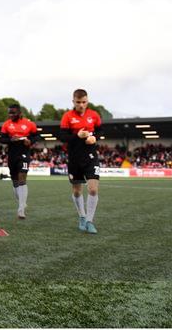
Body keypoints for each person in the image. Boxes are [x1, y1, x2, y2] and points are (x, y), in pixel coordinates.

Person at [60, 89, 102, 234]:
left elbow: (101, 132)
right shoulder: (67, 116)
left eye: (84, 102)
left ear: (87, 101)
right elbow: (63, 137)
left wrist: (95, 137)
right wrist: (77, 135)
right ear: (73, 101)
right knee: (77, 191)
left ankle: (90, 221)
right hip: (74, 158)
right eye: (78, 102)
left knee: (93, 189)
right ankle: (82, 217)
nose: (81, 105)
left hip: (90, 156)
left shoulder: (94, 115)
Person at [0, 104, 38, 219]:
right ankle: (22, 202)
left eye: (13, 113)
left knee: (22, 177)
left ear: (19, 113)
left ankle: (21, 209)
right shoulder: (6, 125)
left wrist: (30, 141)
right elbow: (2, 139)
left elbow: (37, 136)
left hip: (24, 153)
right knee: (15, 181)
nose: (11, 115)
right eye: (9, 113)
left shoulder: (29, 124)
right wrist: (11, 139)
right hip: (12, 154)